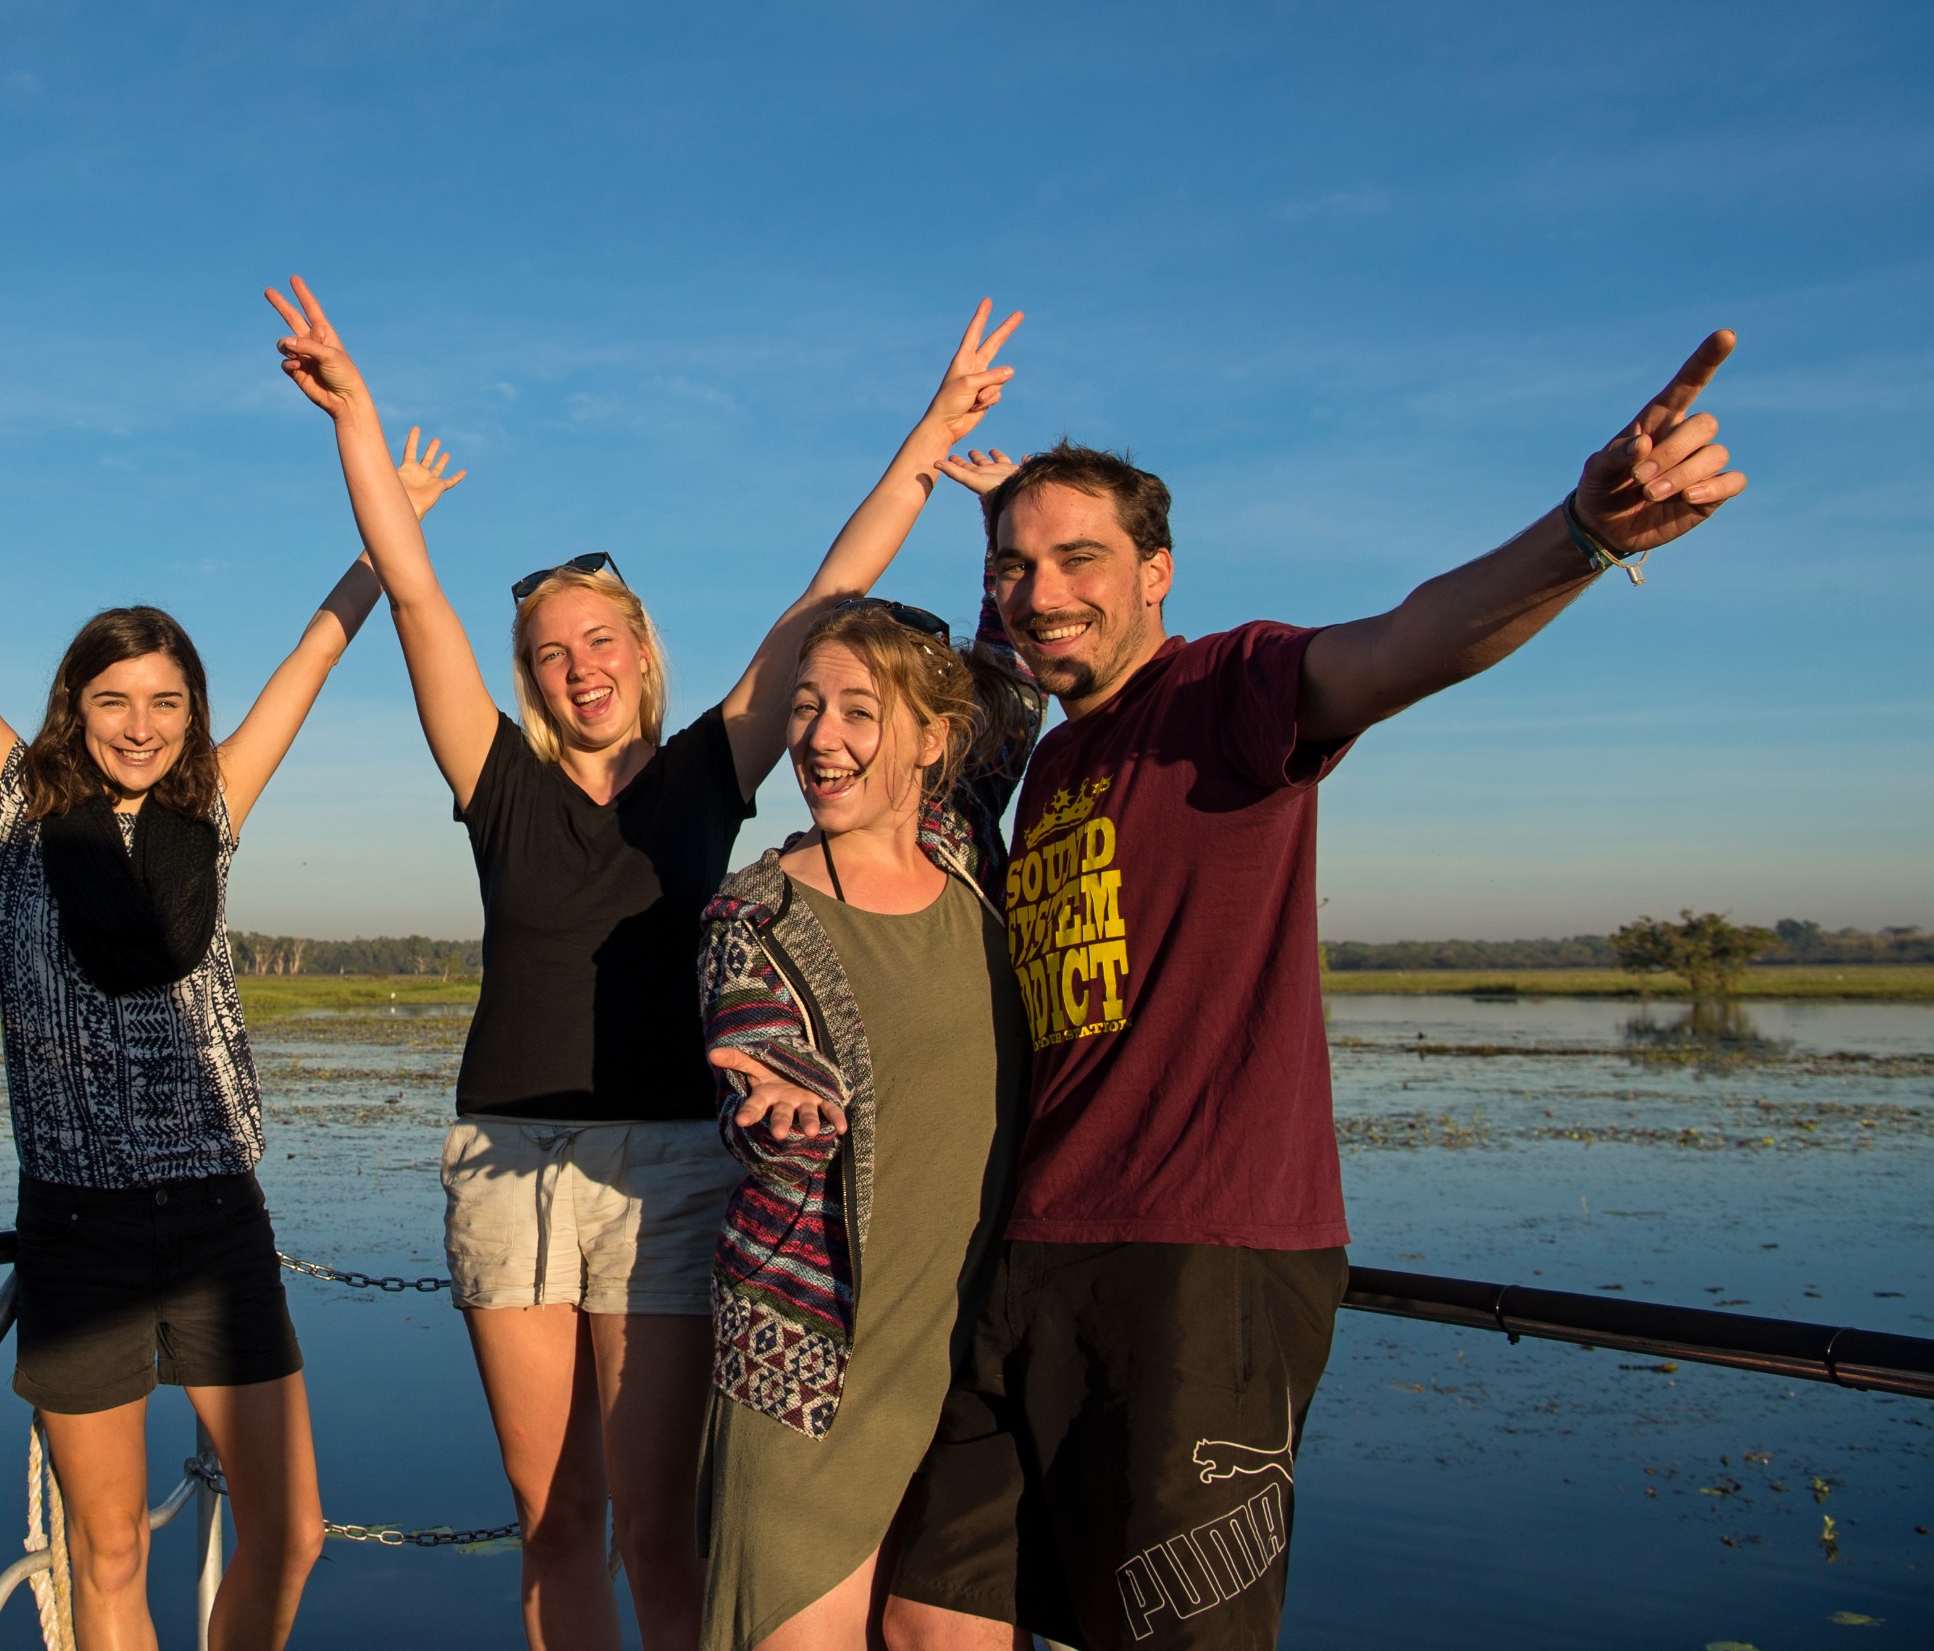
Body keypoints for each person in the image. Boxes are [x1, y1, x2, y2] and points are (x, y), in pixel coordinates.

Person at [891, 336, 1753, 1650]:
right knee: (925, 1620)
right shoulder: (1056, 762)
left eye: (1082, 561)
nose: (1041, 592)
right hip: (1030, 1247)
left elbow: (1411, 641)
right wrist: (1010, 506)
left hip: (1204, 1260)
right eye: (1012, 567)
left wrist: (1580, 534)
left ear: (1158, 575)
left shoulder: (1222, 689)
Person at [271, 275, 1024, 1651]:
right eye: (550, 652)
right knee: (550, 1516)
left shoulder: (707, 773)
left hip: (677, 1170)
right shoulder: (495, 778)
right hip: (508, 1164)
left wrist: (933, 432)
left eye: (600, 639)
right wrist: (357, 417)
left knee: (655, 1518)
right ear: (528, 676)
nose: (578, 666)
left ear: (642, 653)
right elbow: (415, 587)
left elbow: (825, 603)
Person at [0, 371, 465, 1651]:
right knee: (108, 1548)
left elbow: (317, 654)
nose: (140, 724)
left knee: (287, 1531)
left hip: (220, 1215)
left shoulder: (211, 805)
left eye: (165, 700)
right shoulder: (14, 804)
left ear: (191, 712)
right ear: (78, 703)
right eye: (115, 699)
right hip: (81, 1226)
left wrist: (386, 524)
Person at [695, 591, 1040, 1651]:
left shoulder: (962, 851)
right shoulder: (753, 913)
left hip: (973, 1364)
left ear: (933, 741)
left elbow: (1011, 692)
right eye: (807, 707)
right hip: (814, 1376)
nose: (820, 737)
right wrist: (780, 1113)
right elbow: (755, 1050)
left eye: (858, 710)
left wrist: (1001, 554)